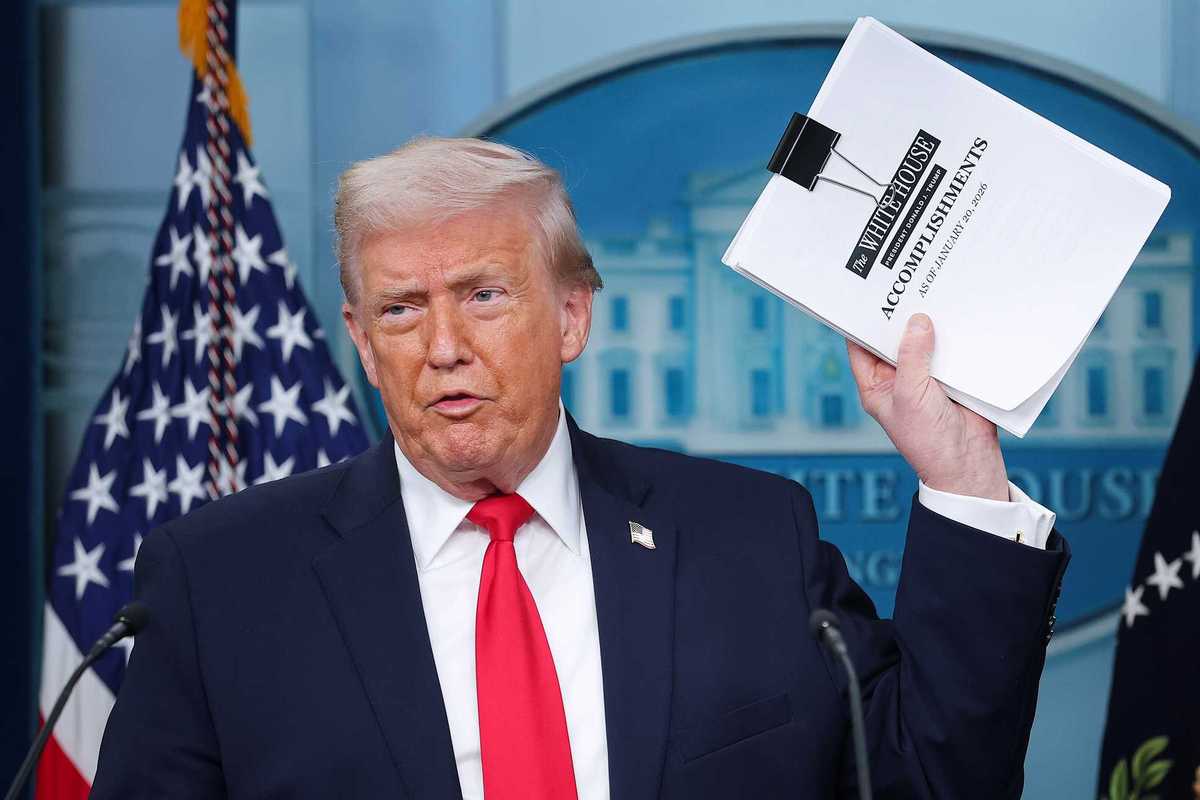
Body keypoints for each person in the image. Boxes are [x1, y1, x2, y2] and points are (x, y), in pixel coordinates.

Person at [91, 137, 1069, 799]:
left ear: (570, 315)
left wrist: (960, 468)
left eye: (483, 294)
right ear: (359, 336)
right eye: (400, 308)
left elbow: (935, 780)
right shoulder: (222, 579)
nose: (442, 346)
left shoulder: (749, 537)